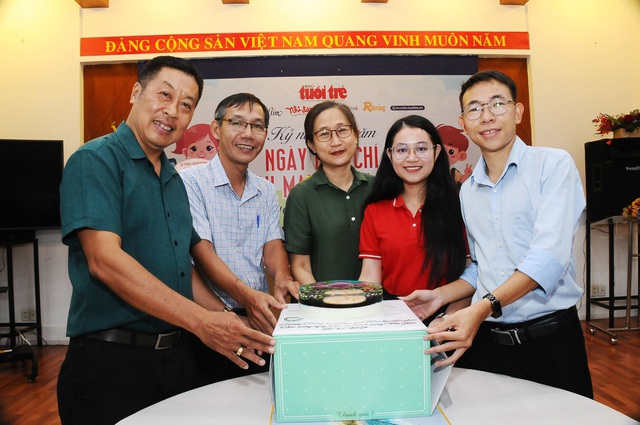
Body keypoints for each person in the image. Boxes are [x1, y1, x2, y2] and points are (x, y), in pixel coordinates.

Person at [57, 56, 277, 425]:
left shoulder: (173, 179)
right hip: (110, 363)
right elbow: (105, 261)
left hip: (175, 359)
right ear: (136, 92)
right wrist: (203, 321)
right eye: (164, 95)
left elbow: (182, 270)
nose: (173, 111)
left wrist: (234, 312)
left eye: (186, 104)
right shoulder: (95, 160)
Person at [402, 70, 593, 398]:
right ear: (463, 122)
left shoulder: (553, 165)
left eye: (497, 104)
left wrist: (481, 308)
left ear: (517, 112)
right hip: (489, 343)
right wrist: (441, 296)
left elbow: (548, 259)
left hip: (551, 343)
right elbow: (482, 266)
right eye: (474, 108)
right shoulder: (468, 190)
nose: (487, 116)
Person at [179, 93, 299, 381]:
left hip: (257, 315)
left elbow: (272, 245)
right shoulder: (190, 182)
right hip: (209, 315)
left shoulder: (265, 189)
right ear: (216, 128)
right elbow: (201, 253)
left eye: (257, 126)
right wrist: (242, 303)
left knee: (261, 397)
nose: (248, 134)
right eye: (237, 123)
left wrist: (282, 277)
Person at [357, 115, 468, 320]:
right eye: (402, 150)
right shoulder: (375, 210)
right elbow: (370, 277)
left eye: (421, 148)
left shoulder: (460, 204)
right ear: (390, 155)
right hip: (391, 317)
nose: (412, 158)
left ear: (436, 152)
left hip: (448, 317)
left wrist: (448, 319)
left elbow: (472, 274)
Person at [283, 100, 375, 284]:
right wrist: (323, 299)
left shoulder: (376, 187)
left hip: (374, 298)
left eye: (342, 130)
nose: (336, 142)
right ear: (311, 144)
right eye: (324, 134)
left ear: (356, 135)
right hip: (321, 300)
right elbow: (300, 266)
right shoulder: (301, 195)